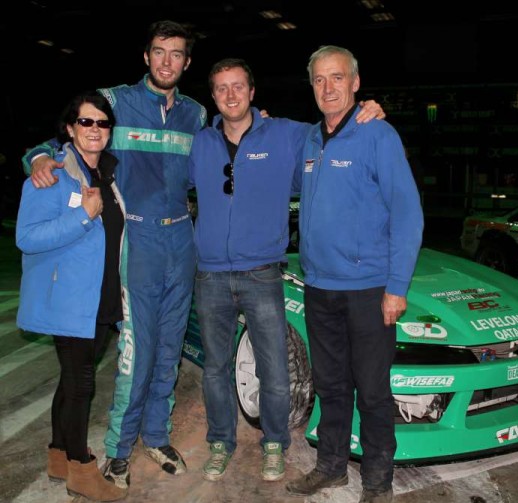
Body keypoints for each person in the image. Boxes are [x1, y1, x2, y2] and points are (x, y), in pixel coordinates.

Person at [21, 20, 208, 490]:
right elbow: (68, 132)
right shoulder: (117, 101)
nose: (168, 61)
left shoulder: (196, 115)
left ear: (187, 62)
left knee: (169, 348)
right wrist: (38, 158)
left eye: (177, 54)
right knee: (136, 351)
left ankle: (157, 435)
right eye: (160, 52)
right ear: (146, 56)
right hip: (136, 243)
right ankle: (118, 450)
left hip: (181, 240)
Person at [188, 58, 385, 483]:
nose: (231, 95)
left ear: (253, 92)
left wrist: (368, 109)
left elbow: (336, 126)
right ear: (213, 97)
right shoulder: (199, 143)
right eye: (221, 88)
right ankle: (221, 442)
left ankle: (274, 443)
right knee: (217, 368)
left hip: (261, 272)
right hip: (210, 276)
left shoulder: (288, 135)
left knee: (274, 368)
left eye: (238, 86)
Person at [285, 46, 424, 503]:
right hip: (320, 287)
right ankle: (331, 467)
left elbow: (407, 213)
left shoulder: (377, 135)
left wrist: (397, 287)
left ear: (356, 83)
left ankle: (378, 483)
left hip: (368, 290)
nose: (328, 88)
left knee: (373, 391)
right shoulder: (309, 139)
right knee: (330, 385)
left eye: (337, 78)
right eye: (320, 80)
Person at [16, 92, 127, 502]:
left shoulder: (108, 176)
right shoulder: (51, 175)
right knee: (81, 384)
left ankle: (59, 456)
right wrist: (83, 216)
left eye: (102, 123)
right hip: (69, 300)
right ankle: (82, 468)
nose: (94, 130)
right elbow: (26, 237)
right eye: (86, 122)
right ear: (69, 128)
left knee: (71, 380)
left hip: (100, 297)